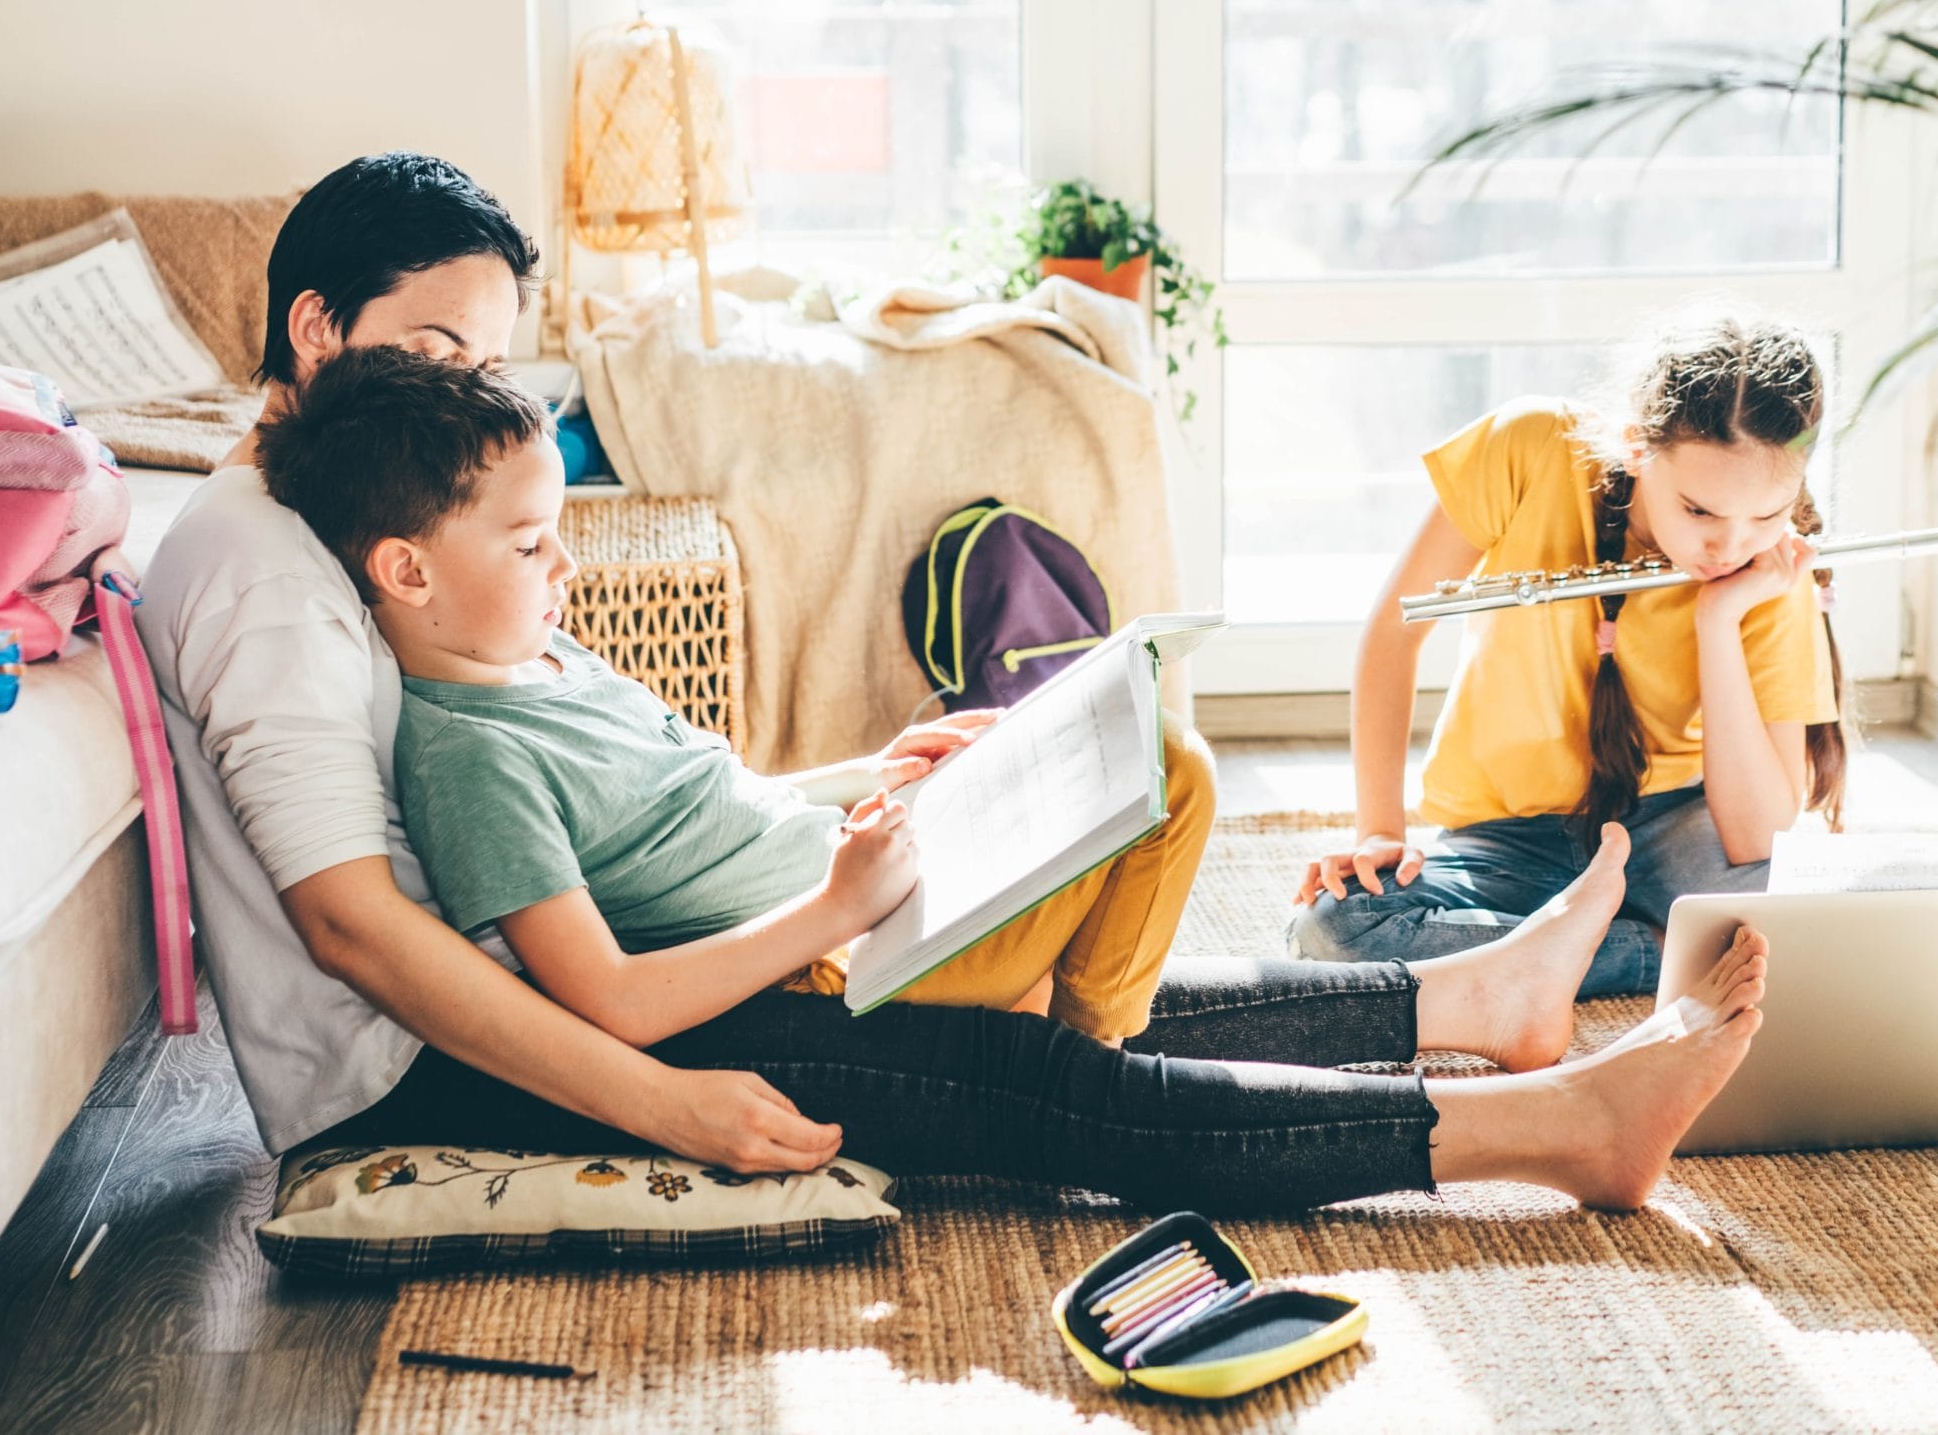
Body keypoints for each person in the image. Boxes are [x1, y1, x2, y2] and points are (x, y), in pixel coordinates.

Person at [138, 150, 1771, 1215]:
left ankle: (1473, 1004)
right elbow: (366, 929)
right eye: (437, 357)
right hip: (452, 1055)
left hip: (661, 942)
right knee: (1047, 1083)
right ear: (316, 326)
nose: (474, 397)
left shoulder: (377, 527)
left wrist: (857, 782)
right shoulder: (278, 573)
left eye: (490, 361)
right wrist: (674, 1104)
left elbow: (646, 808)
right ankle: (1555, 1127)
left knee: (1072, 918)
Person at [256, 344, 1209, 1049]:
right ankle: (1086, 1064)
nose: (567, 563)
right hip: (840, 961)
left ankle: (1069, 1024)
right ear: (407, 572)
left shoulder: (544, 657)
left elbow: (706, 812)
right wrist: (836, 911)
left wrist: (868, 772)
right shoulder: (472, 761)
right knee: (1162, 767)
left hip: (858, 885)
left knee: (1102, 744)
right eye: (527, 543)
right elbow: (612, 1001)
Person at [1288, 315, 1849, 996]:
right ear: (1637, 448)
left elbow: (1756, 836)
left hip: (1670, 827)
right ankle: (1659, 951)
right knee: (1335, 927)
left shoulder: (1769, 576)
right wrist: (1380, 829)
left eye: (1765, 516)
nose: (1728, 548)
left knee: (1810, 923)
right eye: (1699, 512)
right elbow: (1392, 634)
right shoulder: (1529, 447)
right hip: (1507, 839)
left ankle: (1548, 956)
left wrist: (1720, 620)